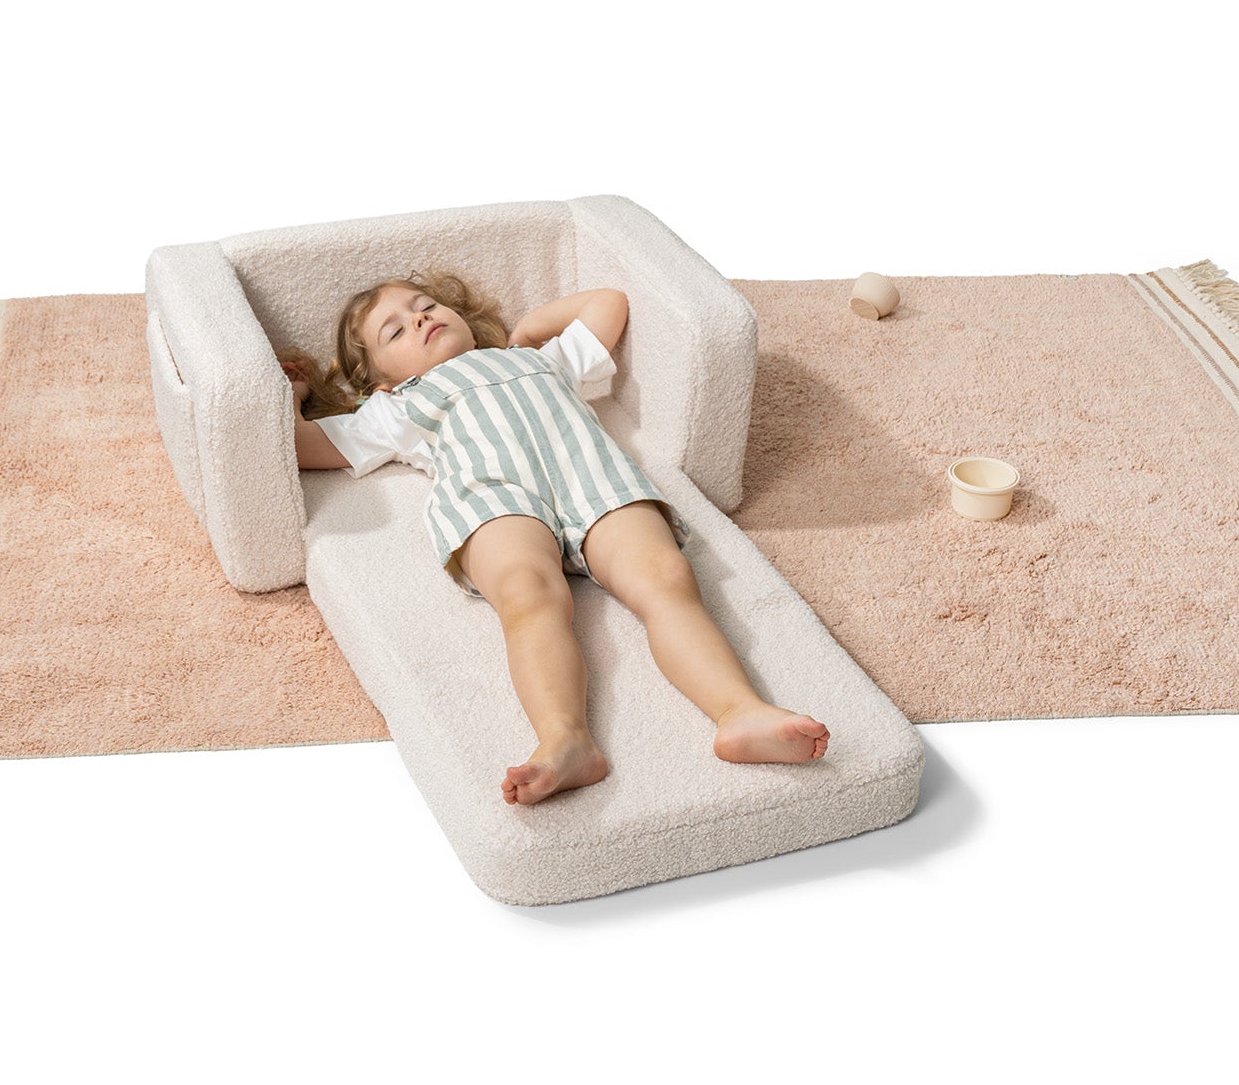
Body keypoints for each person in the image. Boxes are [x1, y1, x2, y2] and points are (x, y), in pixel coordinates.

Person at [276, 268, 829, 806]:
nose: (419, 320)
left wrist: (527, 329)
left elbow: (607, 303)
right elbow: (299, 446)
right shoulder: (393, 407)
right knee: (527, 595)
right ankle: (566, 740)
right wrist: (295, 392)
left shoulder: (541, 358)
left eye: (427, 307)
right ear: (380, 380)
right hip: (495, 498)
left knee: (665, 577)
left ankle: (740, 712)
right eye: (395, 331)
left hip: (592, 479)